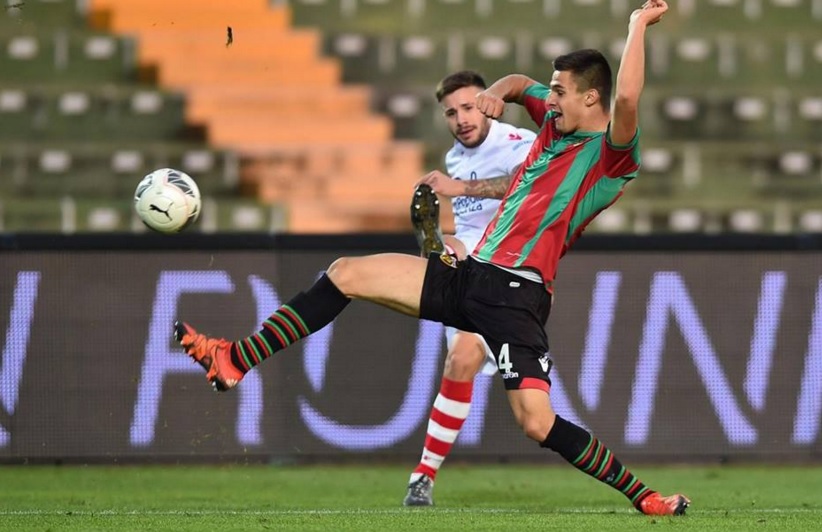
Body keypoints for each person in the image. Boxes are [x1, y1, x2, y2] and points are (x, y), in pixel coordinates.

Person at [174, 0, 690, 516]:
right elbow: (517, 84)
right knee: (345, 274)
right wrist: (493, 94)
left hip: (517, 295)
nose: (549, 99)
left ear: (590, 97)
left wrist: (637, 25)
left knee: (536, 422)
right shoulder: (556, 124)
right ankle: (234, 360)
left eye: (558, 91)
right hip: (472, 277)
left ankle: (643, 496)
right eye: (551, 91)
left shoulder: (611, 156)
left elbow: (627, 95)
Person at [405, 70, 537, 506]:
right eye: (451, 112)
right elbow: (471, 228)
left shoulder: (516, 141)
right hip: (473, 269)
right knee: (459, 362)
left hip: (510, 275)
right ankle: (423, 476)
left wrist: (457, 187)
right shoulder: (455, 157)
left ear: (487, 104)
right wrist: (447, 243)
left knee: (534, 420)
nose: (461, 119)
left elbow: (527, 186)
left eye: (467, 107)